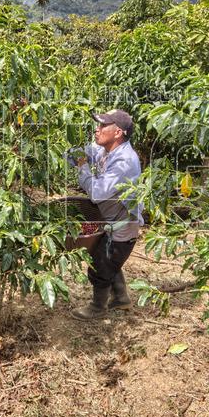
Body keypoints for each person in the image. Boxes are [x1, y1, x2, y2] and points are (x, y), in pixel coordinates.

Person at [68, 109, 144, 321]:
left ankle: (97, 307)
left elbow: (98, 193)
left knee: (100, 266)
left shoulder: (124, 161)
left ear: (118, 132)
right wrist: (72, 155)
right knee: (107, 260)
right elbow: (80, 151)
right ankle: (121, 298)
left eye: (102, 126)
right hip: (110, 220)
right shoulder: (106, 148)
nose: (97, 129)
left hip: (122, 229)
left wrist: (82, 167)